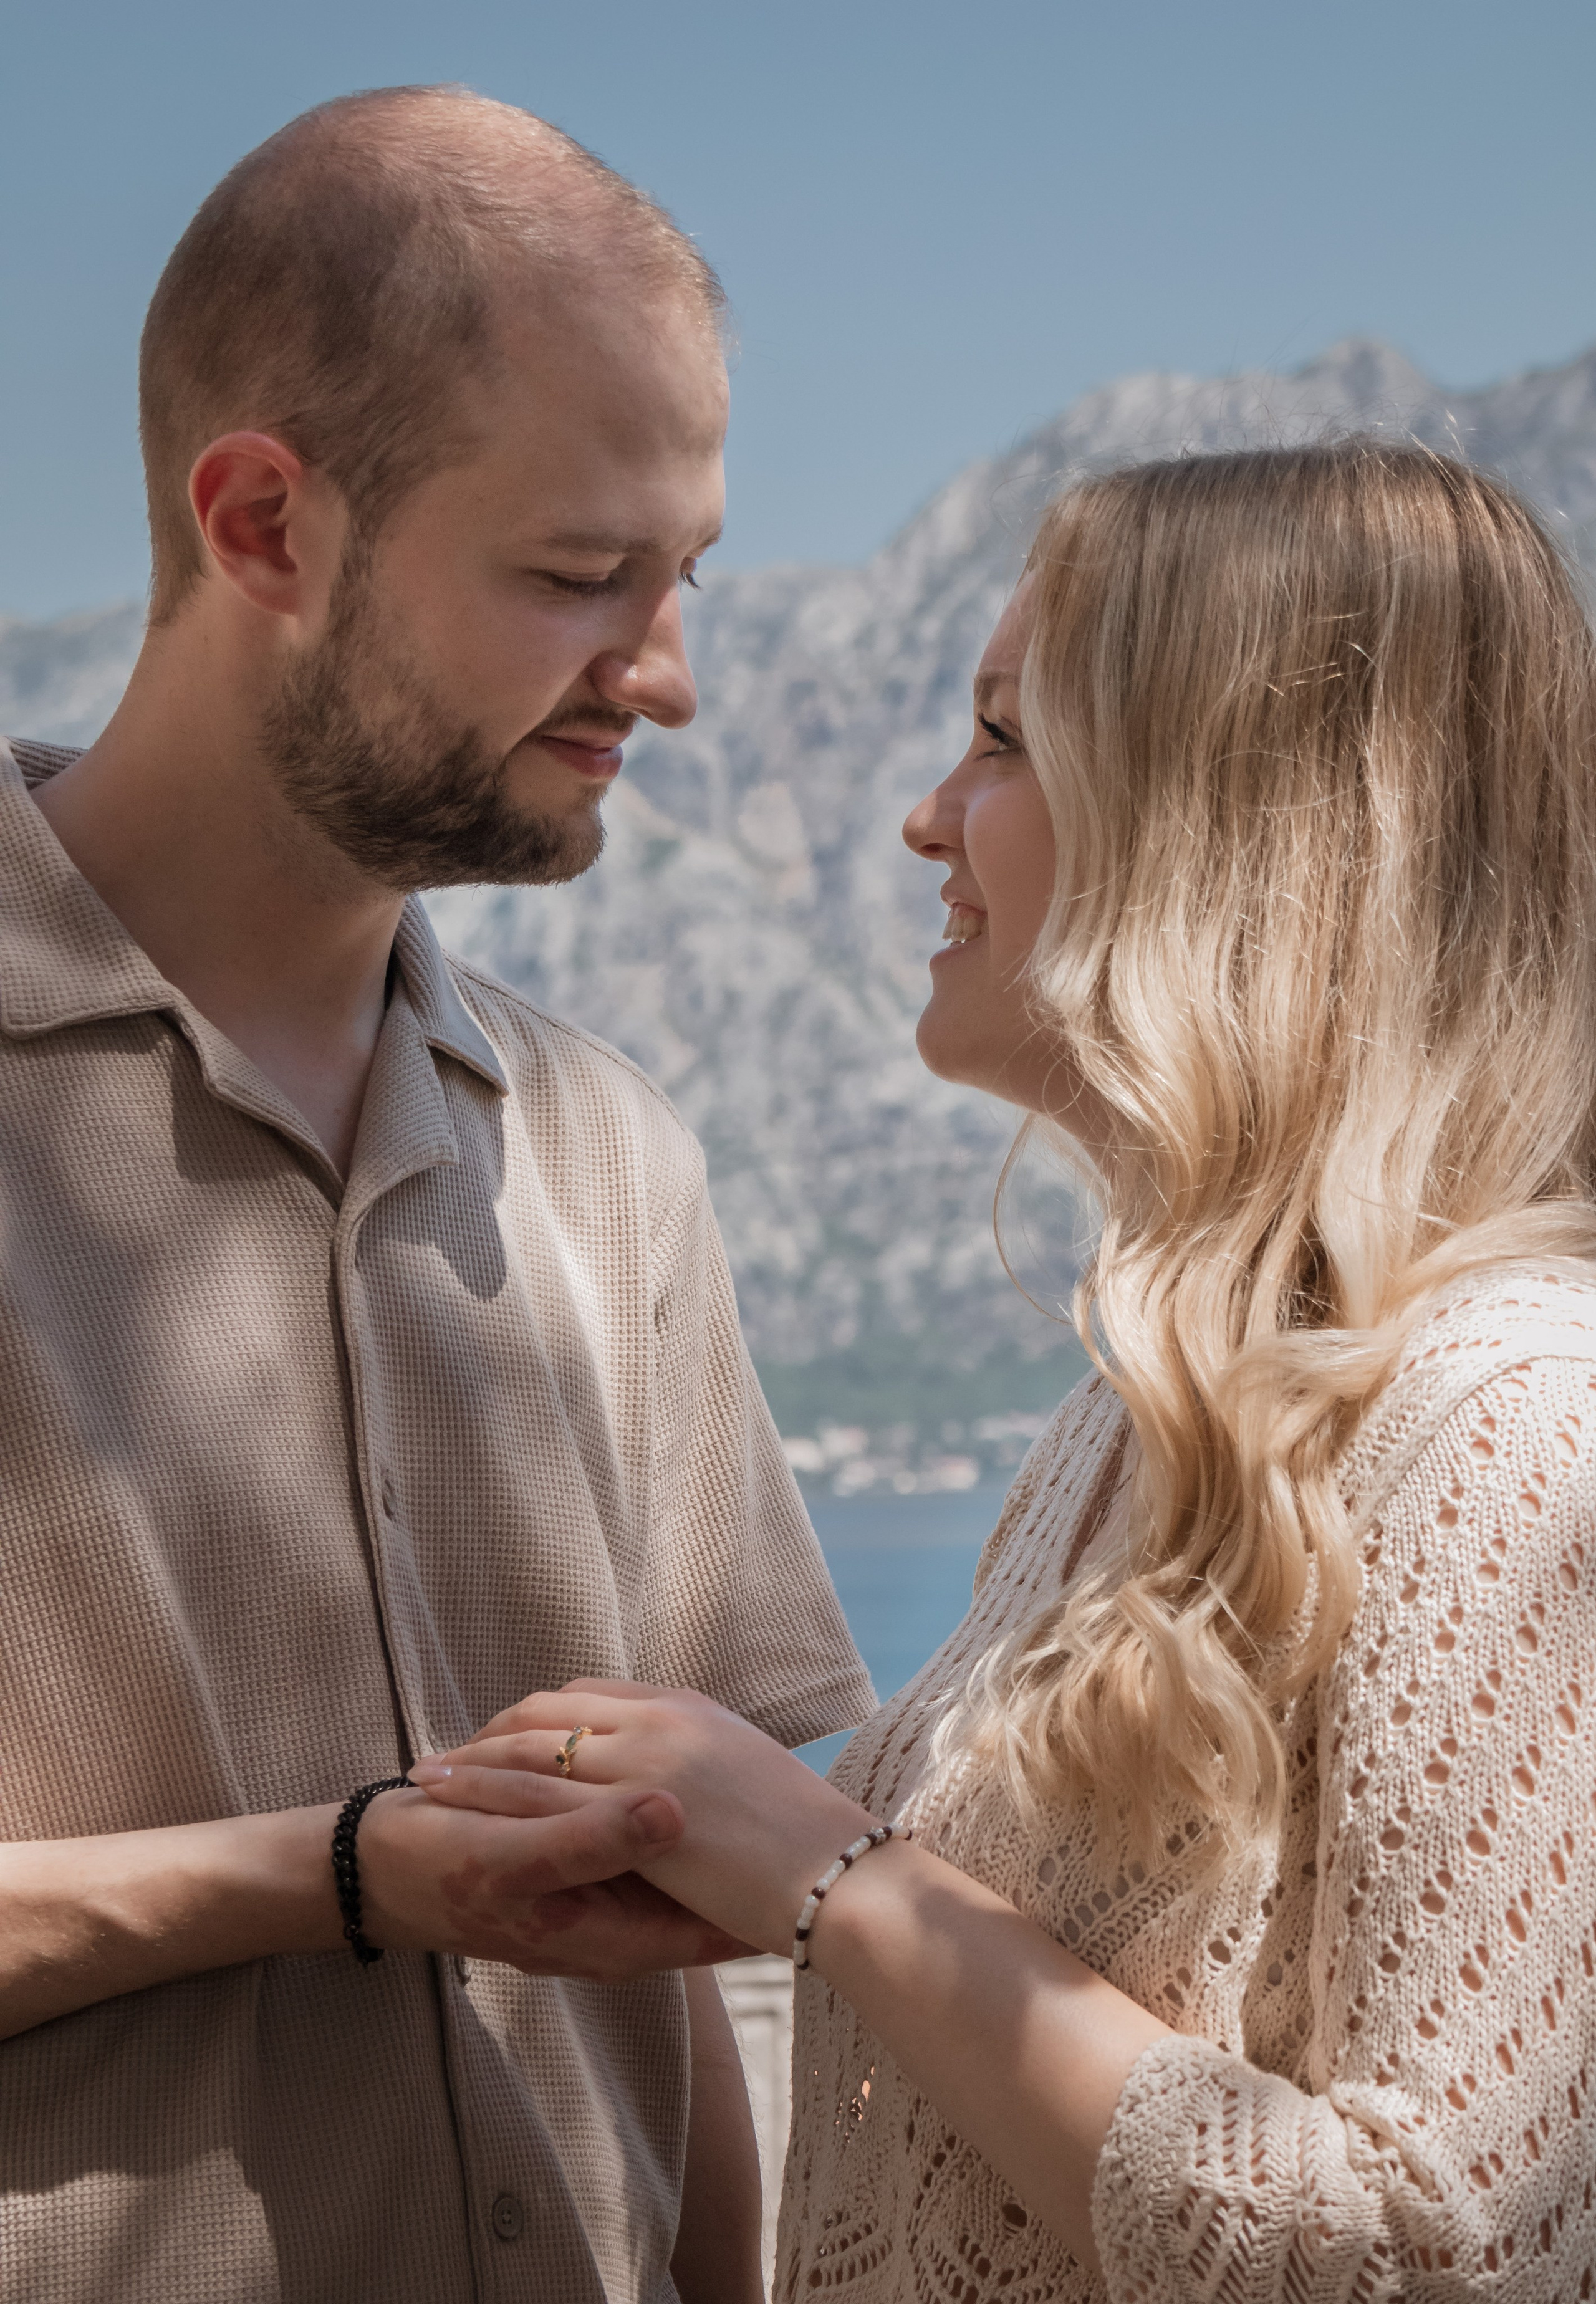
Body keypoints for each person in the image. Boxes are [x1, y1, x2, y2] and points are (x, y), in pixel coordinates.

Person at [418, 440, 1596, 2300]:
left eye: (1001, 739)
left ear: (1235, 825)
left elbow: (1435, 2257)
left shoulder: (1517, 1423)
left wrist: (831, 1873)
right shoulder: (1125, 1429)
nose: (922, 819)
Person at [0, 85, 873, 2304]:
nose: (663, 681)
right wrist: (341, 1877)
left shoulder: (613, 1153)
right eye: (582, 579)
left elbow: (662, 1982)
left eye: (678, 579)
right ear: (266, 524)